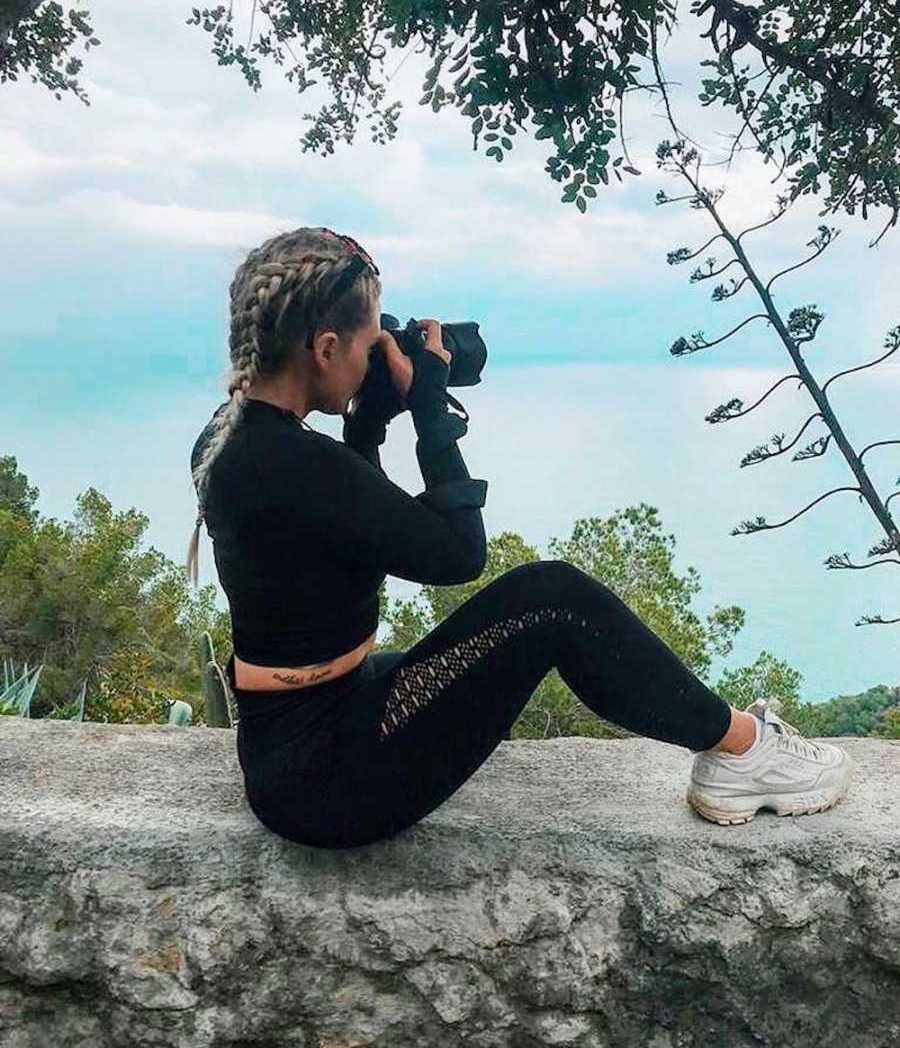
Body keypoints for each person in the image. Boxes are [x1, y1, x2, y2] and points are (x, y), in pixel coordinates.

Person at [186, 226, 853, 849]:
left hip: (292, 744)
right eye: (366, 348)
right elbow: (457, 555)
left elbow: (354, 530)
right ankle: (741, 749)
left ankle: (736, 742)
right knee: (550, 599)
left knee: (445, 651)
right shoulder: (303, 465)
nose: (372, 361)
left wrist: (368, 425)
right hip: (327, 782)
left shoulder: (229, 440)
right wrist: (430, 409)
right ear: (325, 348)